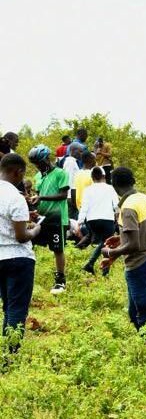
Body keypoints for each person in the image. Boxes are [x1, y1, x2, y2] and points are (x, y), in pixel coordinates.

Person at [101, 167, 146, 331]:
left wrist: (110, 252)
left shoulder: (128, 208)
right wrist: (122, 238)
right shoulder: (144, 199)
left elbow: (134, 245)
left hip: (139, 264)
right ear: (133, 181)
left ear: (113, 185)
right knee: (134, 312)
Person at [0, 153, 41, 344]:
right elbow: (21, 236)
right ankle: (12, 353)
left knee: (8, 305)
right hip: (18, 258)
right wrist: (36, 229)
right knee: (17, 307)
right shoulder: (15, 198)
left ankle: (6, 350)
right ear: (18, 172)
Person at [27, 145, 69, 294]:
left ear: (46, 158)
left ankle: (60, 281)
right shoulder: (38, 176)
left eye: (39, 162)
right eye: (35, 164)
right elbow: (38, 196)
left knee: (58, 249)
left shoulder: (60, 173)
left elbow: (63, 195)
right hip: (41, 218)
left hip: (57, 218)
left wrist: (41, 197)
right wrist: (33, 201)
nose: (38, 166)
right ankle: (26, 276)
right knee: (29, 243)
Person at [77, 167, 119, 275]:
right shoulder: (110, 188)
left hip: (92, 221)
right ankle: (100, 268)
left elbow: (84, 207)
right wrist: (117, 216)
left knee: (103, 242)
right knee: (107, 243)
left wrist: (80, 222)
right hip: (107, 220)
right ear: (104, 176)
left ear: (92, 177)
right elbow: (116, 205)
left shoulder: (88, 189)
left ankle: (92, 265)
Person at [69, 151, 95, 221]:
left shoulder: (77, 173)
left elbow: (73, 191)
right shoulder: (92, 174)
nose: (95, 161)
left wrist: (76, 207)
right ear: (90, 159)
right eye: (93, 159)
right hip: (91, 210)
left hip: (80, 209)